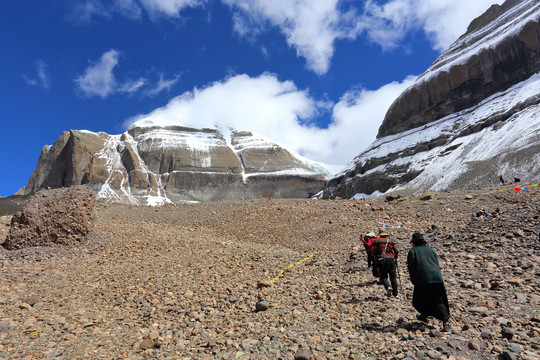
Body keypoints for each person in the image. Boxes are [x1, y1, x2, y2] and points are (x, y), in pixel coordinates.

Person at [407, 232, 452, 332]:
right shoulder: (431, 250)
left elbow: (411, 267)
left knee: (419, 299)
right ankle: (445, 323)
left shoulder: (413, 251)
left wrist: (414, 280)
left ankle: (425, 315)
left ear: (414, 242)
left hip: (422, 279)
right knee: (439, 301)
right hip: (437, 278)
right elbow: (436, 264)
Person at [372, 228, 399, 297]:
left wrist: (375, 258)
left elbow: (374, 251)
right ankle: (395, 294)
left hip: (383, 261)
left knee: (383, 276)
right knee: (393, 277)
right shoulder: (390, 241)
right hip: (391, 260)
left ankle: (388, 287)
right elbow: (396, 251)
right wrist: (395, 257)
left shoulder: (377, 241)